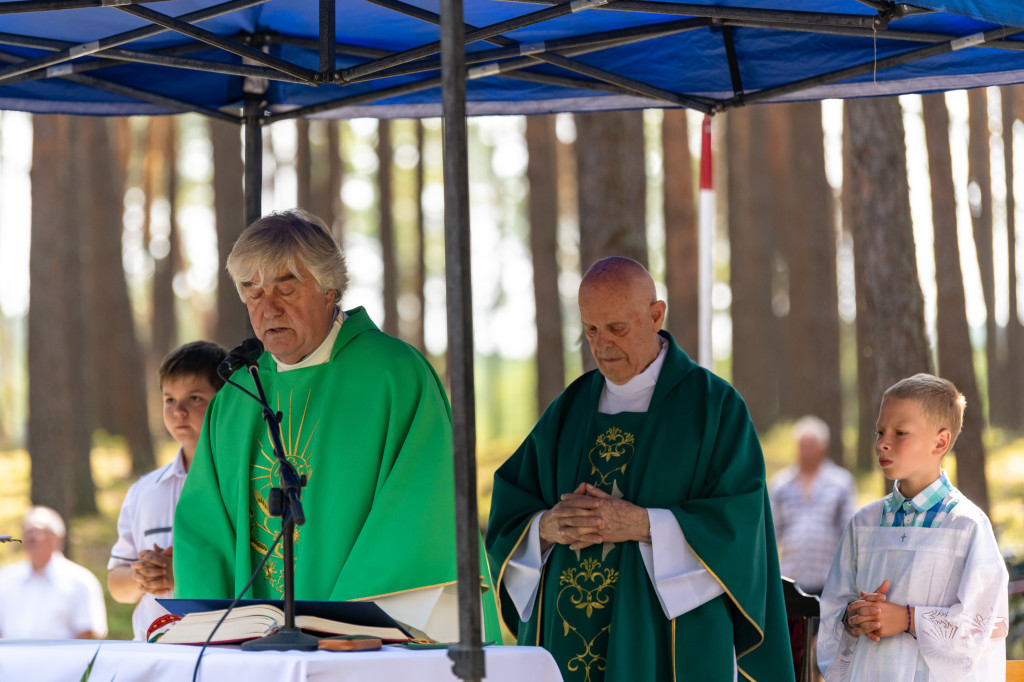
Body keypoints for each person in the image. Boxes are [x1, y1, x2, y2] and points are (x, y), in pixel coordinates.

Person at [172, 209, 500, 643]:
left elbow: (419, 513)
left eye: (286, 287)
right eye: (252, 292)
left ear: (330, 289)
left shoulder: (394, 377)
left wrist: (347, 626)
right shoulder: (236, 397)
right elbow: (203, 531)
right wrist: (213, 634)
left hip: (370, 645)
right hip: (252, 651)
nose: (268, 308)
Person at [485, 256, 794, 681]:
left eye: (617, 328)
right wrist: (546, 528)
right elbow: (510, 512)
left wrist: (643, 524)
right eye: (590, 330)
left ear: (655, 315)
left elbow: (740, 529)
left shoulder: (713, 407)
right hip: (567, 637)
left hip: (664, 639)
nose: (602, 345)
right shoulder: (569, 409)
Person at [817, 374, 1008, 681]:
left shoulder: (967, 526)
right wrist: (853, 618)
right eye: (880, 431)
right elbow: (834, 606)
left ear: (940, 441)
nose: (883, 443)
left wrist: (907, 618)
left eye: (900, 432)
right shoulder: (863, 524)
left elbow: (983, 625)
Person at [107, 341, 227, 641]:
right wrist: (144, 574)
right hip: (153, 652)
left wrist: (181, 574)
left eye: (195, 398)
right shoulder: (144, 491)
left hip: (223, 651)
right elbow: (116, 583)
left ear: (224, 401)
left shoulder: (242, 487)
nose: (179, 411)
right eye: (169, 399)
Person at [769, 415, 856, 595]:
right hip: (790, 581)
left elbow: (849, 533)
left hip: (829, 582)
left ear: (823, 448)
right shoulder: (781, 484)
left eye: (811, 445)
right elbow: (771, 533)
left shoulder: (840, 482)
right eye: (802, 445)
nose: (805, 451)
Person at [0, 506, 107, 639]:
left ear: (58, 537)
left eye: (38, 531)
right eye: (27, 531)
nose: (31, 538)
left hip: (64, 659)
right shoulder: (5, 578)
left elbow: (88, 633)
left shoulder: (80, 581)